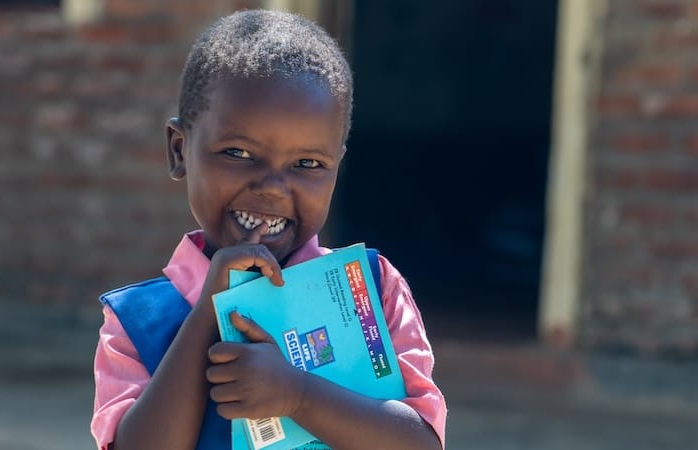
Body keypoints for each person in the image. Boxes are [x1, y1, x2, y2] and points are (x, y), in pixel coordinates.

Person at [91, 9, 446, 450]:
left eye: (308, 164)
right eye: (239, 153)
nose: (274, 188)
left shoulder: (368, 289)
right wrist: (208, 314)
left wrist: (298, 395)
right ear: (180, 149)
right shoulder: (138, 321)